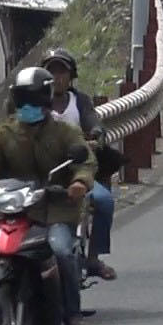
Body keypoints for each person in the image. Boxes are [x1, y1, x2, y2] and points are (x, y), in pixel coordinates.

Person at [0, 66, 95, 325]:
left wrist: (79, 182)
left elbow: (85, 162)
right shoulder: (3, 135)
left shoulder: (65, 132)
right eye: (23, 99)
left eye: (34, 99)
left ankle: (72, 316)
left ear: (46, 100)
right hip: (14, 209)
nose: (28, 106)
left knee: (61, 251)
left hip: (56, 210)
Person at [41, 48, 117, 282]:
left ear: (71, 76)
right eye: (51, 72)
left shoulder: (80, 101)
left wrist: (95, 135)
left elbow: (94, 122)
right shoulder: (35, 103)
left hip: (77, 169)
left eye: (61, 72)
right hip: (41, 170)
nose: (56, 78)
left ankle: (93, 258)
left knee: (103, 201)